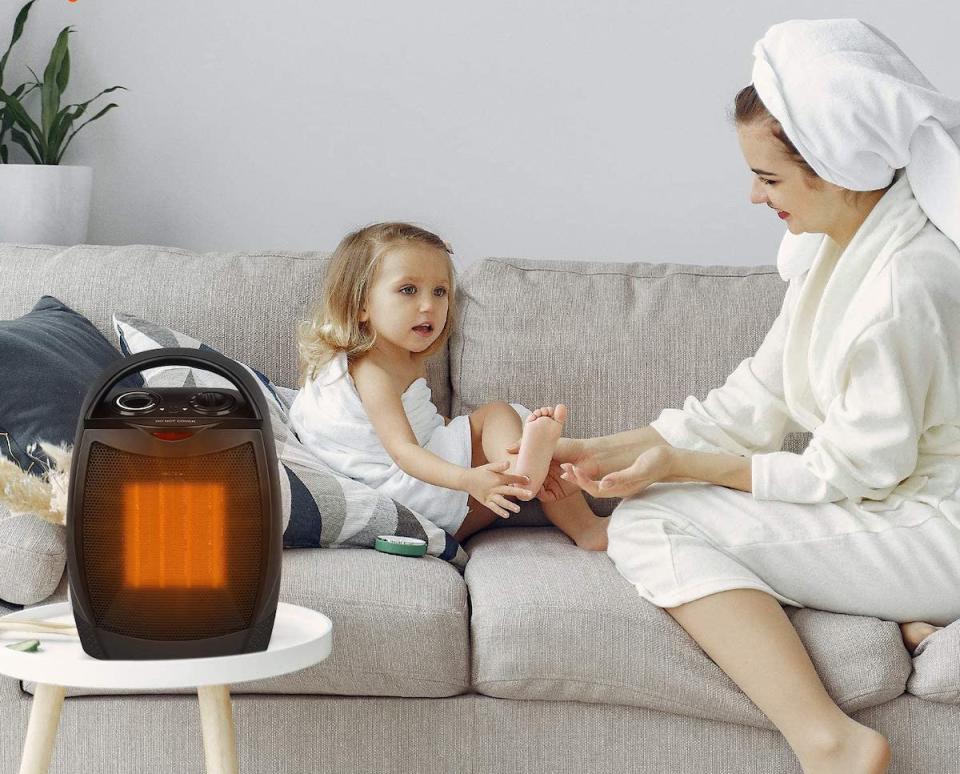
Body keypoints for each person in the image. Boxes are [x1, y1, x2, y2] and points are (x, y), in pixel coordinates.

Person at [512, 19, 960, 774]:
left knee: (654, 527)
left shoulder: (904, 285)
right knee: (651, 507)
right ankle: (894, 619)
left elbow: (856, 472)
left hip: (932, 527)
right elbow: (756, 398)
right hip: (889, 507)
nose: (753, 196)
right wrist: (608, 450)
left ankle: (833, 744)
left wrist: (683, 467)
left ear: (840, 168)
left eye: (771, 177)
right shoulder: (836, 246)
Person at [290, 222, 608, 549]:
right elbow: (403, 451)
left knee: (515, 423)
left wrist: (455, 438)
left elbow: (419, 424)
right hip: (419, 498)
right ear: (361, 305)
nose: (428, 305)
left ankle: (537, 479)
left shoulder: (402, 356)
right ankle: (528, 477)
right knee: (500, 415)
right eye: (408, 290)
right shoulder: (373, 370)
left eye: (439, 291)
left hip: (438, 499)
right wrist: (469, 479)